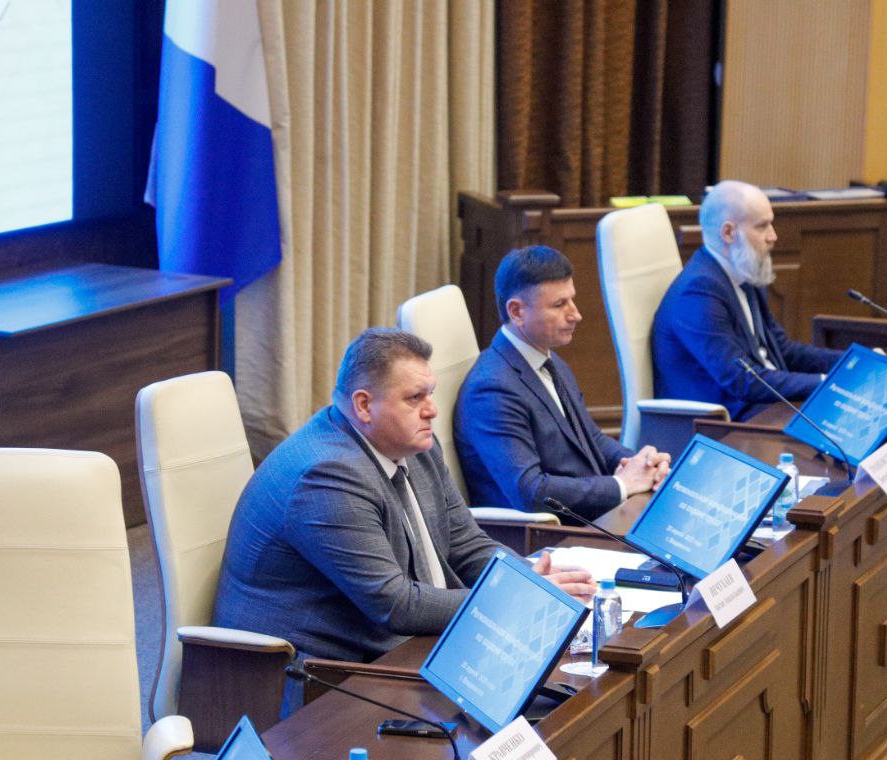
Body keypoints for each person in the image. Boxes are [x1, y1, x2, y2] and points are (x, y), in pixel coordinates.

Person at [212, 328, 597, 664]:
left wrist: (529, 579)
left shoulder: (417, 447)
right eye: (415, 398)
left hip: (402, 645)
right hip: (320, 676)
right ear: (364, 405)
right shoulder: (327, 477)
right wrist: (516, 597)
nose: (432, 411)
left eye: (430, 394)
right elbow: (395, 604)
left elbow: (467, 546)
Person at [454, 246, 671, 521]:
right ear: (517, 311)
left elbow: (590, 439)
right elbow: (530, 491)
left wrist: (641, 464)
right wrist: (621, 485)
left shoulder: (549, 360)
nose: (575, 315)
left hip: (592, 516)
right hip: (546, 535)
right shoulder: (491, 390)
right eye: (559, 305)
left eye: (572, 300)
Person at [651, 180, 844, 420]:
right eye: (762, 226)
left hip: (763, 406)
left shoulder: (743, 271)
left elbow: (782, 350)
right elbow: (741, 380)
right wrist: (827, 382)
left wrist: (848, 364)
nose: (773, 236)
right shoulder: (698, 293)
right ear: (728, 233)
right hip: (724, 424)